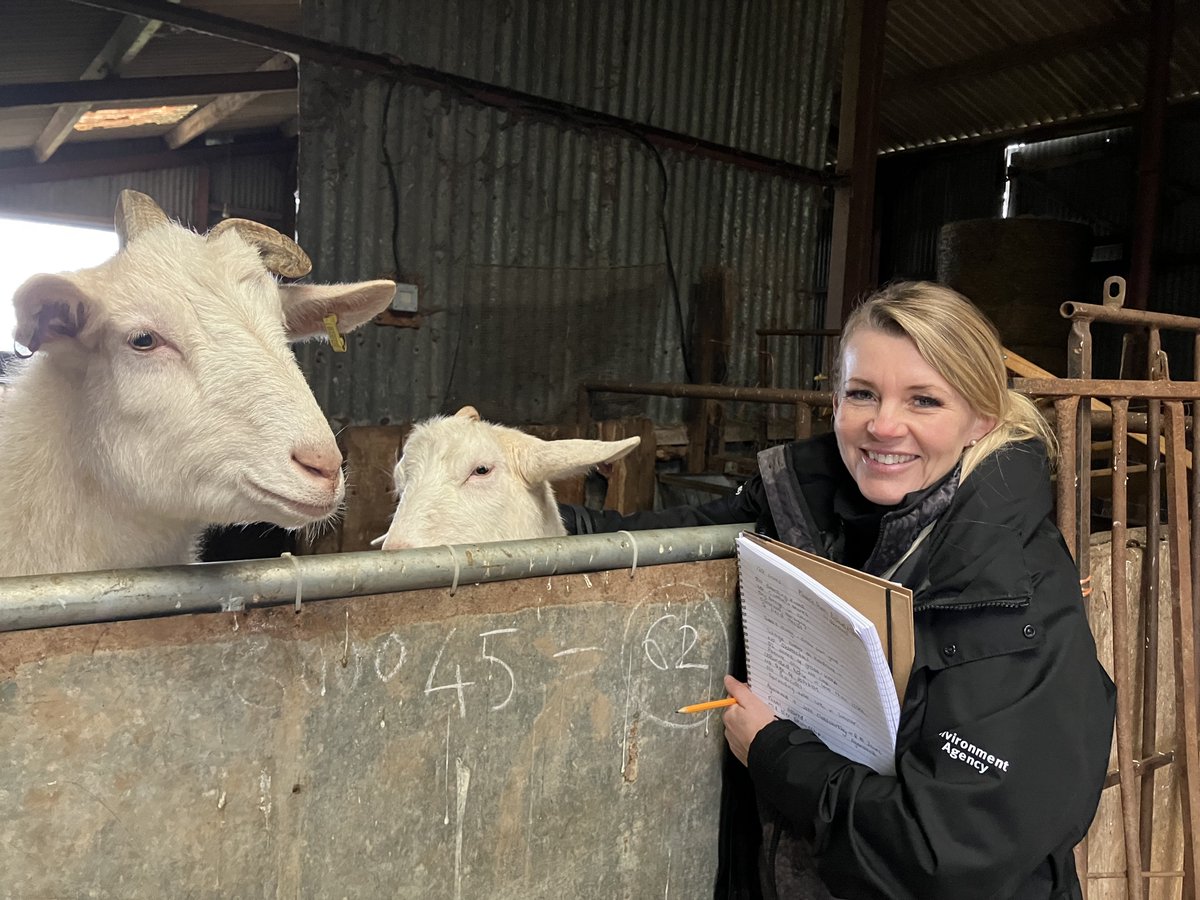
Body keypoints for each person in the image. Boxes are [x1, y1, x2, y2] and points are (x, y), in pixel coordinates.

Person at [561, 281, 1116, 900]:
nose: (883, 425)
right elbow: (661, 538)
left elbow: (953, 851)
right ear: (834, 401)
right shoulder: (806, 501)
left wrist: (774, 754)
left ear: (980, 418)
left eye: (924, 401)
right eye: (862, 394)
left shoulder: (1009, 585)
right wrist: (519, 520)